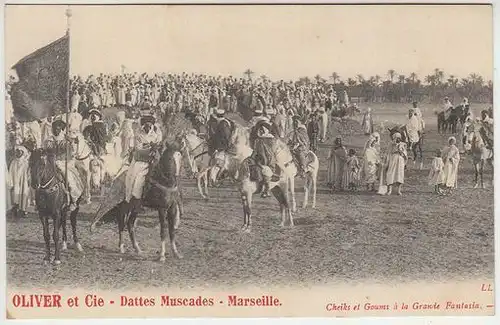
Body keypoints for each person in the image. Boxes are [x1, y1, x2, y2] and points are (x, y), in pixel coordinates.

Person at [44, 119, 85, 211]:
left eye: (58, 129)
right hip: (50, 162)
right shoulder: (48, 140)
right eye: (54, 128)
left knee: (69, 179)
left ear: (61, 129)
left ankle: (73, 200)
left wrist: (71, 144)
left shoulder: (66, 139)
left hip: (64, 162)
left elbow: (73, 152)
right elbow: (46, 151)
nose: (55, 130)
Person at [124, 115, 162, 203]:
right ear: (143, 126)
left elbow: (158, 144)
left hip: (153, 160)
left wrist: (154, 147)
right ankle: (134, 198)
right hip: (141, 160)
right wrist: (151, 147)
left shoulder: (156, 134)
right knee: (134, 177)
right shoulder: (138, 134)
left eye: (149, 125)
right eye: (146, 125)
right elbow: (138, 149)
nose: (148, 127)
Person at [251, 122, 278, 198]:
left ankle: (267, 189)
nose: (261, 131)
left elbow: (271, 152)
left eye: (262, 130)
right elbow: (255, 151)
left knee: (266, 170)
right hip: (258, 159)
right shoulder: (257, 140)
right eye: (260, 130)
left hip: (268, 160)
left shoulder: (271, 139)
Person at [7, 144, 32, 218]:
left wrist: (28, 179)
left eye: (19, 152)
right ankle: (15, 209)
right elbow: (10, 173)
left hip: (24, 182)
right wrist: (11, 183)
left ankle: (23, 210)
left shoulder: (25, 163)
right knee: (15, 195)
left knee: (24, 195)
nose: (18, 153)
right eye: (17, 152)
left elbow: (29, 173)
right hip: (15, 182)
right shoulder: (13, 162)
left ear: (22, 152)